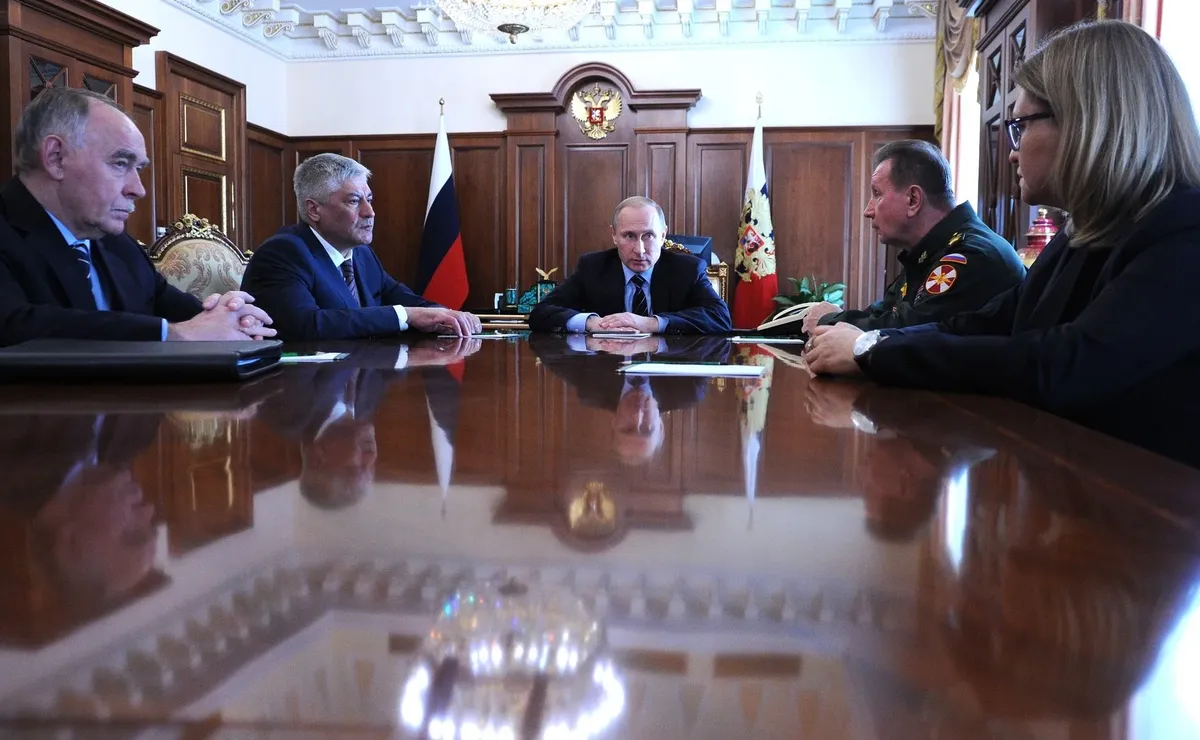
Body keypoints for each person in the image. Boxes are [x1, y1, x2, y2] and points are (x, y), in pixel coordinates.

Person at [804, 20, 1200, 470]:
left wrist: (871, 350)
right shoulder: (1080, 235)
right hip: (1073, 481)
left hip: (1144, 502)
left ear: (1086, 123)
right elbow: (980, 325)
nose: (1011, 151)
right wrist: (872, 342)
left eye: (1021, 127)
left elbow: (1063, 363)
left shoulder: (1183, 229)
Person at [0, 87, 274, 346]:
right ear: (56, 157)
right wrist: (174, 334)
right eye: (120, 163)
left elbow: (188, 316)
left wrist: (231, 317)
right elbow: (14, 325)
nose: (138, 189)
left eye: (139, 168)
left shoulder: (120, 246)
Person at [241, 153, 482, 341]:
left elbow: (402, 298)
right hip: (301, 384)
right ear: (314, 210)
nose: (370, 212)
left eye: (370, 199)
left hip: (361, 376)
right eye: (354, 201)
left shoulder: (361, 254)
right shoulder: (283, 253)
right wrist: (406, 315)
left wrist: (446, 315)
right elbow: (307, 325)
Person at [801, 140, 1024, 335]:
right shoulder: (927, 252)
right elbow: (884, 313)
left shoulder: (971, 255)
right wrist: (836, 320)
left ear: (913, 199)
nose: (868, 211)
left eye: (877, 194)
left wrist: (829, 321)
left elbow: (909, 332)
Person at [528, 196, 731, 334]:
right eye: (629, 236)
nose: (640, 250)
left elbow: (720, 318)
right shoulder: (593, 267)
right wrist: (592, 323)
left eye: (649, 236)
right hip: (606, 371)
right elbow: (541, 312)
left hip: (667, 374)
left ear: (663, 235)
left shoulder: (687, 269)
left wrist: (651, 323)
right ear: (614, 235)